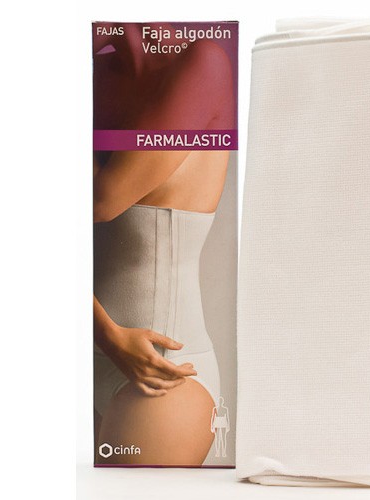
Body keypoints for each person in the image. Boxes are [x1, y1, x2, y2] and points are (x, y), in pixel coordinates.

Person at [92, 23, 235, 465]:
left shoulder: (203, 62)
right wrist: (105, 334)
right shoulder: (96, 75)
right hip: (96, 341)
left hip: (162, 372)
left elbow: (101, 200)